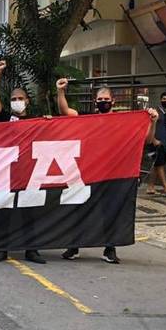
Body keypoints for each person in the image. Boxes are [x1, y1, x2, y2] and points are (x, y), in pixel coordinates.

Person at [56, 78, 152, 265]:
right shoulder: (88, 119)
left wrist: (152, 120)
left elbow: (146, 139)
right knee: (80, 209)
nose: (103, 102)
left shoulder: (123, 121)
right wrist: (60, 92)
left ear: (113, 101)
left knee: (110, 212)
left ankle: (110, 249)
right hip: (88, 173)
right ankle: (74, 246)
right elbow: (66, 112)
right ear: (95, 102)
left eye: (106, 99)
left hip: (112, 174)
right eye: (100, 100)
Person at [0, 61, 48, 265]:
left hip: (28, 171)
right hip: (6, 171)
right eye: (13, 99)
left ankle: (32, 250)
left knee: (29, 213)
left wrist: (50, 123)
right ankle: (1, 249)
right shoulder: (5, 116)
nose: (17, 101)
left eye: (20, 98)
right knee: (4, 212)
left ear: (27, 101)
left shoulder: (36, 119)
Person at [145, 92, 166, 195]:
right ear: (160, 99)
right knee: (159, 164)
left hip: (164, 143)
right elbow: (148, 126)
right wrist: (154, 140)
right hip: (155, 143)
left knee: (157, 165)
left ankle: (150, 186)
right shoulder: (155, 112)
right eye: (164, 99)